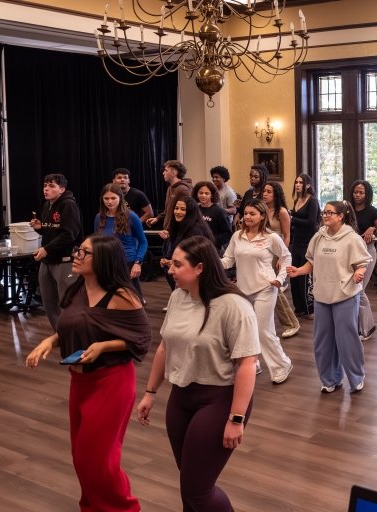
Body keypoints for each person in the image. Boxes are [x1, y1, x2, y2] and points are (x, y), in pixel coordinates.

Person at [26, 234, 150, 511]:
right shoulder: (78, 289)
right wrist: (50, 340)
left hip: (111, 382)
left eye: (84, 253)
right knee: (81, 457)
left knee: (98, 461)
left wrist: (104, 346)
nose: (77, 256)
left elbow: (142, 338)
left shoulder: (122, 296)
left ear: (103, 260)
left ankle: (125, 508)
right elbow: (70, 326)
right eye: (78, 251)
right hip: (80, 382)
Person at [137, 236, 260, 511]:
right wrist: (149, 392)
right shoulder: (178, 297)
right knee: (189, 484)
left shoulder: (234, 306)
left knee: (198, 491)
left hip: (219, 399)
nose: (170, 270)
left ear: (201, 268)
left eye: (178, 265)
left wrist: (236, 418)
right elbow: (165, 347)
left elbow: (247, 364)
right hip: (181, 396)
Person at [287, 200, 371, 393]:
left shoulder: (351, 238)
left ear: (341, 216)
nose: (325, 216)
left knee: (346, 339)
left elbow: (362, 263)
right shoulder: (319, 237)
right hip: (322, 295)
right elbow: (312, 263)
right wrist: (299, 271)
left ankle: (356, 376)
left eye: (330, 213)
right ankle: (330, 379)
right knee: (323, 341)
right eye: (324, 213)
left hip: (345, 294)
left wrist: (359, 271)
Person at [221, 199, 294, 384]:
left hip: (265, 288)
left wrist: (280, 278)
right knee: (244, 330)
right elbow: (228, 260)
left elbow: (286, 257)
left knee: (263, 330)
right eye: (245, 213)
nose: (248, 217)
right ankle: (253, 362)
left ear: (262, 216)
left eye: (252, 214)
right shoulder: (237, 236)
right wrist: (209, 264)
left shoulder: (271, 238)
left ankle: (282, 365)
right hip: (243, 291)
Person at [30, 173, 83, 330]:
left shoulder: (68, 205)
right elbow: (52, 231)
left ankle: (76, 335)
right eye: (45, 186)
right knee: (49, 302)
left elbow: (69, 234)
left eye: (51, 186)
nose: (46, 189)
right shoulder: (48, 205)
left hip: (65, 260)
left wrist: (46, 249)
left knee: (68, 302)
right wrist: (41, 227)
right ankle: (60, 334)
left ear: (62, 189)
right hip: (47, 260)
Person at [94, 183, 148, 295]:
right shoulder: (99, 217)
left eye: (113, 198)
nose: (109, 201)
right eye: (106, 198)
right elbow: (96, 242)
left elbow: (143, 241)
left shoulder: (131, 216)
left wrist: (138, 262)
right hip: (106, 263)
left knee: (131, 297)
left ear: (120, 198)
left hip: (127, 262)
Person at [262, 181, 300, 339]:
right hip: (264, 251)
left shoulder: (282, 212)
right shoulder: (263, 210)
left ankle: (292, 323)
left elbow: (287, 236)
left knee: (273, 287)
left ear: (276, 194)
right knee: (266, 286)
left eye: (269, 191)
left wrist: (281, 256)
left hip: (276, 252)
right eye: (264, 191)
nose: (265, 194)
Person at [350, 179, 377, 341]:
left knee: (359, 290)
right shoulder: (347, 210)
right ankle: (358, 326)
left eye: (361, 192)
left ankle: (367, 327)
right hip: (349, 253)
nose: (357, 195)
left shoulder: (372, 211)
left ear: (367, 194)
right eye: (356, 192)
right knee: (353, 290)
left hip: (367, 253)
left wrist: (372, 228)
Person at [160, 197, 214, 291]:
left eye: (183, 209)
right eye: (176, 208)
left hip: (193, 281)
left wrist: (174, 263)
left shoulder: (195, 230)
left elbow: (196, 259)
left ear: (190, 212)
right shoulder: (178, 227)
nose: (178, 212)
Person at [289, 173, 320, 317]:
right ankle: (298, 307)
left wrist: (292, 218)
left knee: (304, 276)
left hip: (308, 242)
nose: (298, 185)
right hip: (297, 241)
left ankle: (309, 307)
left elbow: (312, 222)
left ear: (308, 185)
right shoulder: (296, 200)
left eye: (301, 182)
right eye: (296, 182)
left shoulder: (312, 201)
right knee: (293, 275)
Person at [145, 160, 193, 232]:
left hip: (178, 233)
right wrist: (157, 218)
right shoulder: (170, 188)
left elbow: (188, 213)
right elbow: (168, 210)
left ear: (173, 173)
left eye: (166, 171)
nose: (163, 173)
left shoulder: (183, 190)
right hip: (169, 232)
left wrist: (174, 231)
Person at [194, 181, 233, 250]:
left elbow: (227, 234)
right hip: (196, 247)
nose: (203, 195)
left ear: (212, 195)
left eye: (207, 193)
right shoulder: (195, 209)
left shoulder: (219, 211)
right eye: (201, 193)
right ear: (197, 194)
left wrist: (211, 240)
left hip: (212, 249)